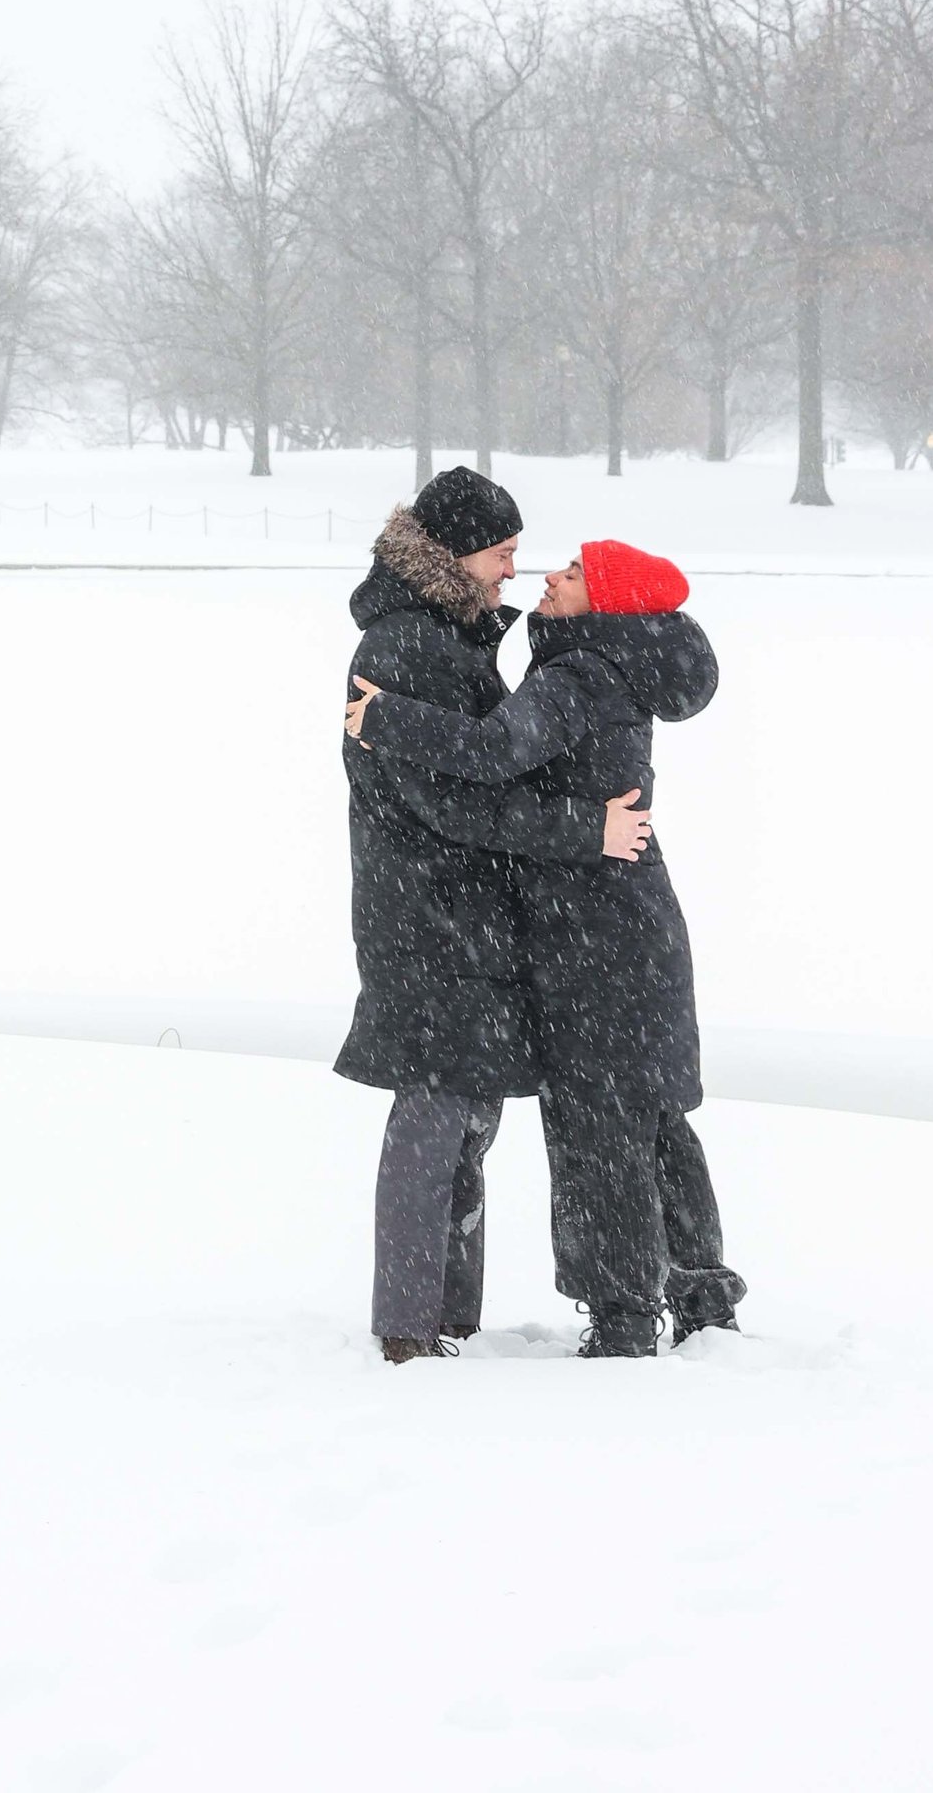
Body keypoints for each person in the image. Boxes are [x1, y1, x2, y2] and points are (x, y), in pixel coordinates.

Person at [347, 538, 742, 1359]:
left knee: (599, 1128)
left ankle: (625, 1314)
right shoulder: (620, 670)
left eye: (574, 573)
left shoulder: (580, 677)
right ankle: (702, 1298)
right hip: (638, 930)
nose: (550, 577)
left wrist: (388, 717)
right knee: (657, 1121)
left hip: (592, 940)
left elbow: (494, 753)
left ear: (607, 603)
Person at [335, 471, 651, 1363]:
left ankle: (444, 1317)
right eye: (504, 552)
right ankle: (406, 1326)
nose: (514, 571)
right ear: (455, 552)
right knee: (436, 1116)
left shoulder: (448, 636)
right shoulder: (406, 647)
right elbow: (457, 801)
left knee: (466, 1117)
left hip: (460, 911)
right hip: (428, 916)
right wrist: (586, 830)